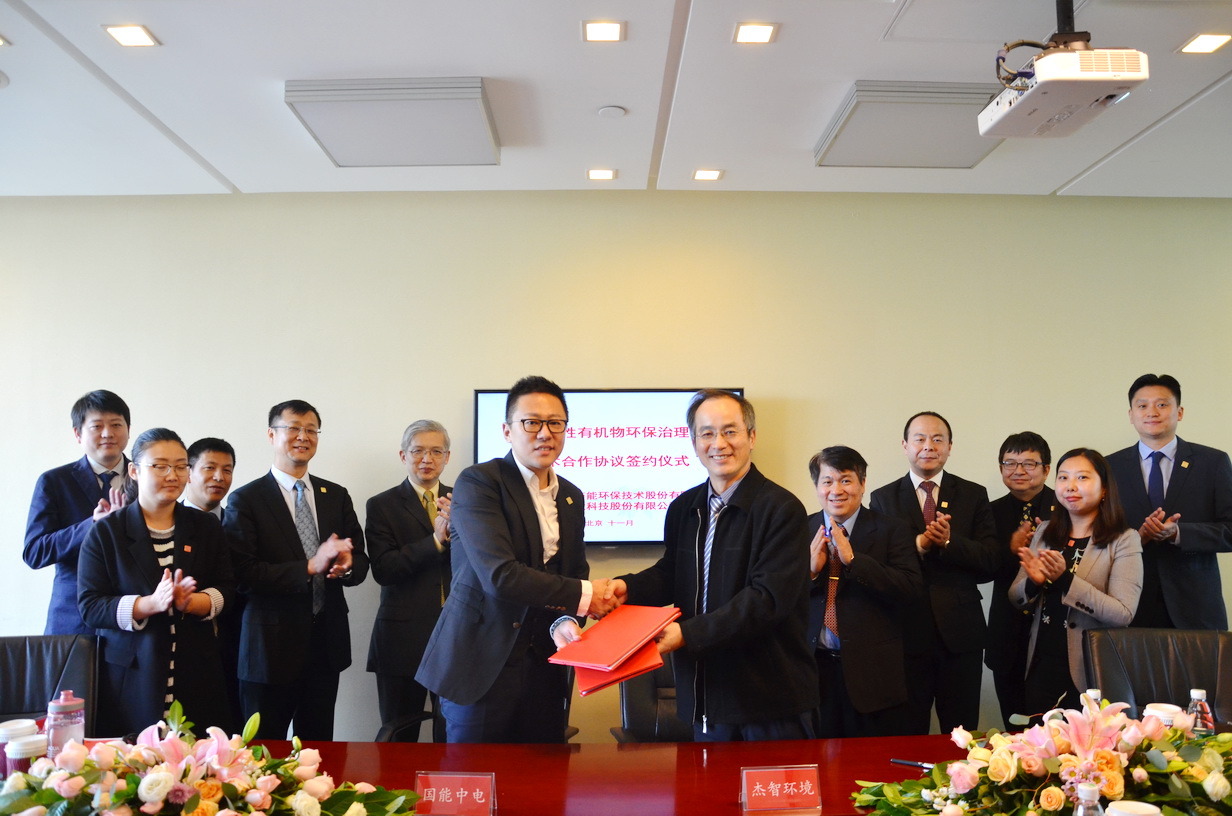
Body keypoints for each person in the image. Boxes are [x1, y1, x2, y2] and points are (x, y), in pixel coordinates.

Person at [416, 376, 615, 743]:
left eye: (555, 423)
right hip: (479, 664)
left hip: (544, 671)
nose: (545, 433)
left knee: (542, 776)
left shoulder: (572, 496)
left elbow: (573, 572)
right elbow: (500, 575)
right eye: (531, 422)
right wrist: (588, 595)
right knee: (474, 775)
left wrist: (565, 621)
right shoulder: (480, 482)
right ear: (507, 431)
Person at [612, 390, 818, 742]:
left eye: (730, 431)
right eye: (706, 433)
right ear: (694, 442)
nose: (719, 443)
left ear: (752, 437)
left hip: (770, 703)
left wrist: (686, 634)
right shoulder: (684, 508)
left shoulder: (781, 509)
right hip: (704, 699)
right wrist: (626, 589)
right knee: (706, 781)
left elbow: (766, 600)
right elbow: (671, 574)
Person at [224, 399, 368, 740]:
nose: (303, 436)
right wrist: (309, 566)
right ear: (271, 435)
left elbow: (361, 561)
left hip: (325, 647)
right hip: (269, 651)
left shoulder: (335, 495)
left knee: (318, 751)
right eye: (293, 428)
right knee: (263, 753)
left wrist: (346, 567)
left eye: (311, 430)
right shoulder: (246, 499)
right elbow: (243, 574)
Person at [77, 428, 234, 737]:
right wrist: (149, 604)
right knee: (136, 762)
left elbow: (227, 588)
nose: (172, 475)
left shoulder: (205, 526)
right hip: (133, 678)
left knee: (200, 760)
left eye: (180, 466)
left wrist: (194, 602)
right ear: (134, 471)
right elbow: (90, 605)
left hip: (197, 673)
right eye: (160, 466)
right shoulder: (107, 532)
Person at [869, 411, 999, 734]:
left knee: (962, 735)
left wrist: (949, 542)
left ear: (950, 447)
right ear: (905, 445)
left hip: (961, 636)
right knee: (907, 731)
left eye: (937, 439)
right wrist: (919, 545)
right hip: (905, 635)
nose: (928, 446)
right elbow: (879, 569)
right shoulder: (883, 499)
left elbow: (990, 562)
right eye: (920, 439)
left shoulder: (973, 494)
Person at [1010, 448, 1142, 715]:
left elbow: (1123, 613)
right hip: (1042, 664)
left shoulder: (1124, 539)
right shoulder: (1045, 531)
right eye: (1063, 477)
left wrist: (1065, 581)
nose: (1070, 486)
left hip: (1090, 668)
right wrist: (1033, 582)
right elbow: (1016, 596)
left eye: (1082, 477)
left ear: (1104, 489)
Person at [806, 446, 920, 738]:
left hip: (872, 674)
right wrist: (811, 573)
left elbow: (910, 589)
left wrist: (854, 561)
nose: (836, 490)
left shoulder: (891, 529)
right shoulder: (800, 529)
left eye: (846, 480)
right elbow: (780, 600)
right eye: (827, 481)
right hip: (814, 672)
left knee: (870, 760)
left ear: (862, 483)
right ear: (817, 487)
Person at [1107, 374, 1232, 630]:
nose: (1152, 412)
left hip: (1196, 606)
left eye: (1162, 404)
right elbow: (1099, 533)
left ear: (1180, 412)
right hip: (1130, 603)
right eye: (1142, 405)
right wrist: (1137, 538)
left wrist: (1179, 533)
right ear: (1131, 415)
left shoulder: (1213, 462)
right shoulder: (1109, 467)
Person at [367, 420, 454, 739]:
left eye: (436, 451)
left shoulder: (466, 501)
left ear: (447, 457)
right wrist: (435, 541)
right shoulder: (382, 505)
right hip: (401, 640)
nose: (427, 459)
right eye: (418, 451)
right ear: (403, 455)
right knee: (400, 738)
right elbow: (384, 569)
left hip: (455, 636)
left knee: (453, 736)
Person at [25, 389, 132, 635]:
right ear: (78, 434)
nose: (108, 433)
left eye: (116, 424)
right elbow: (35, 552)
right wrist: (93, 526)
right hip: (74, 619)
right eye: (97, 426)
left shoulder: (145, 478)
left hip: (133, 617)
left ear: (128, 429)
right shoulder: (54, 481)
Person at [987, 432, 1055, 728]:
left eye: (1029, 463)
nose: (1018, 470)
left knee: (1055, 728)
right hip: (1007, 631)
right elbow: (981, 569)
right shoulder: (988, 512)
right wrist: (1011, 550)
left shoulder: (1066, 506)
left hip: (1054, 631)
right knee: (1013, 725)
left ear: (1046, 469)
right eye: (1010, 463)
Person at [181, 438, 236, 519]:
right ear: (188, 473)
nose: (219, 477)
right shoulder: (166, 521)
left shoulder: (237, 523)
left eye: (227, 470)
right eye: (210, 468)